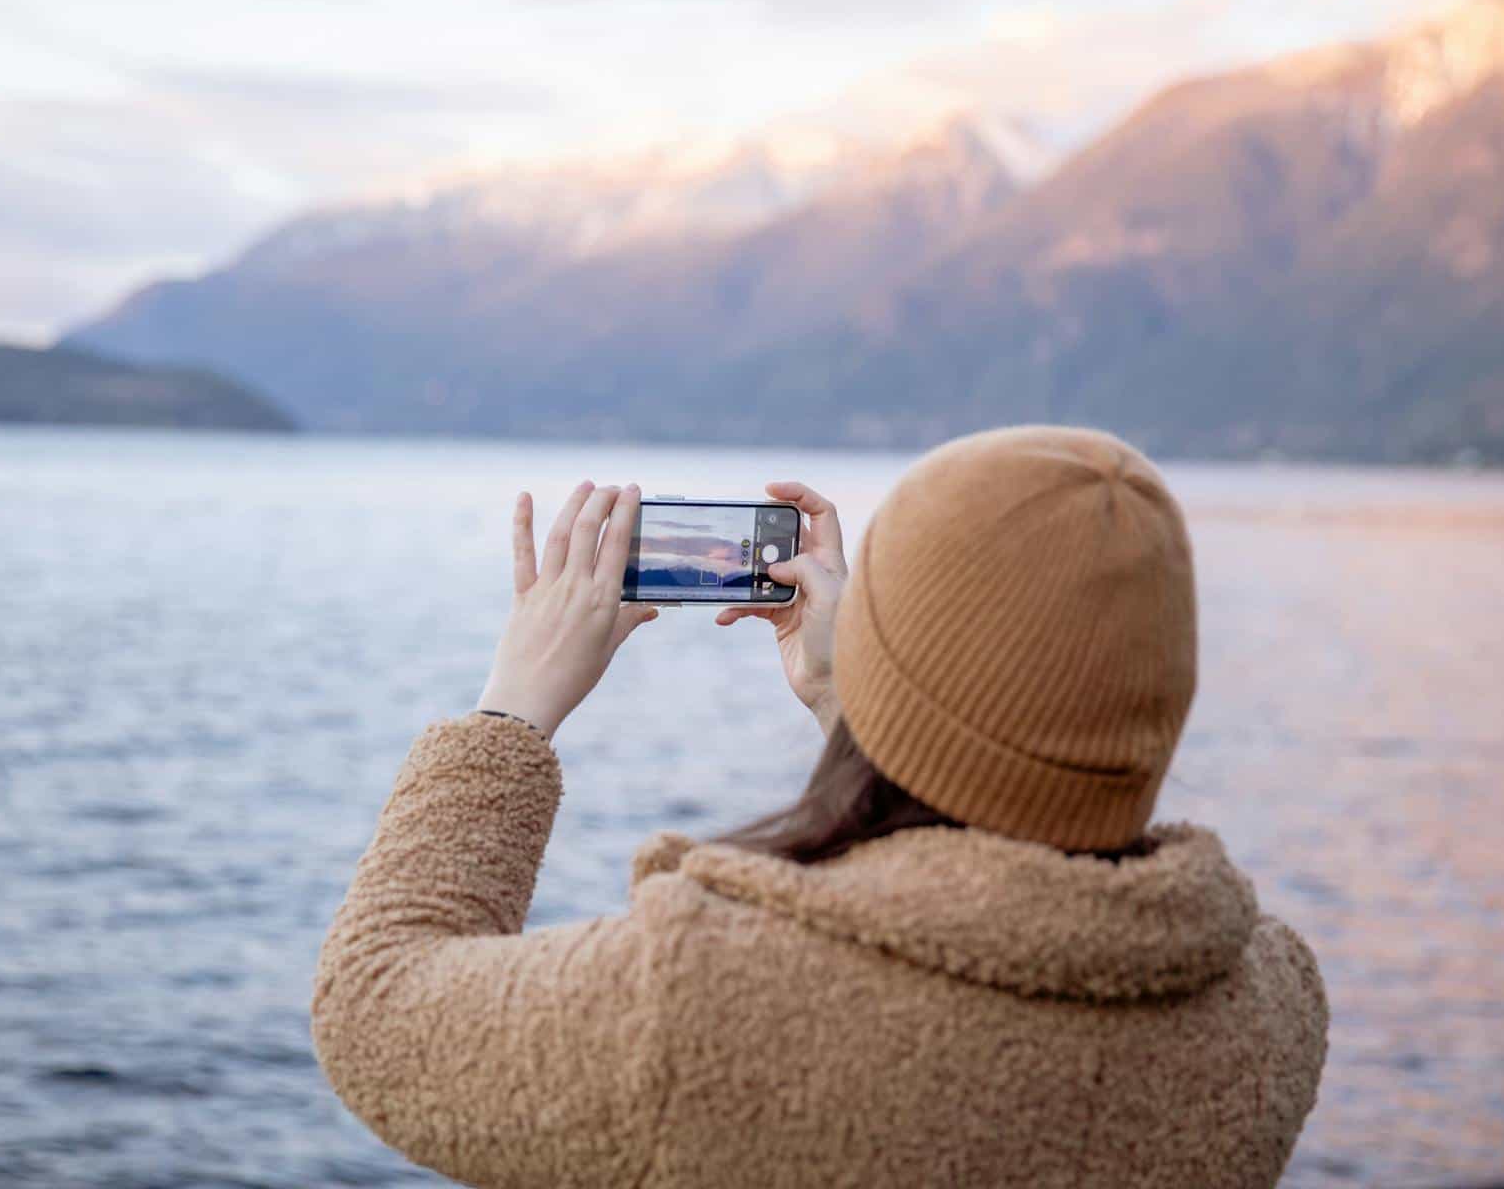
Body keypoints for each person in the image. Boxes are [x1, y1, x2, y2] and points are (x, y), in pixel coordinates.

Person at [312, 426, 1328, 1188]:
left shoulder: (708, 1000)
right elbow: (1017, 818)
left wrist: (513, 707)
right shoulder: (1268, 1009)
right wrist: (866, 709)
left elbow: (374, 1008)